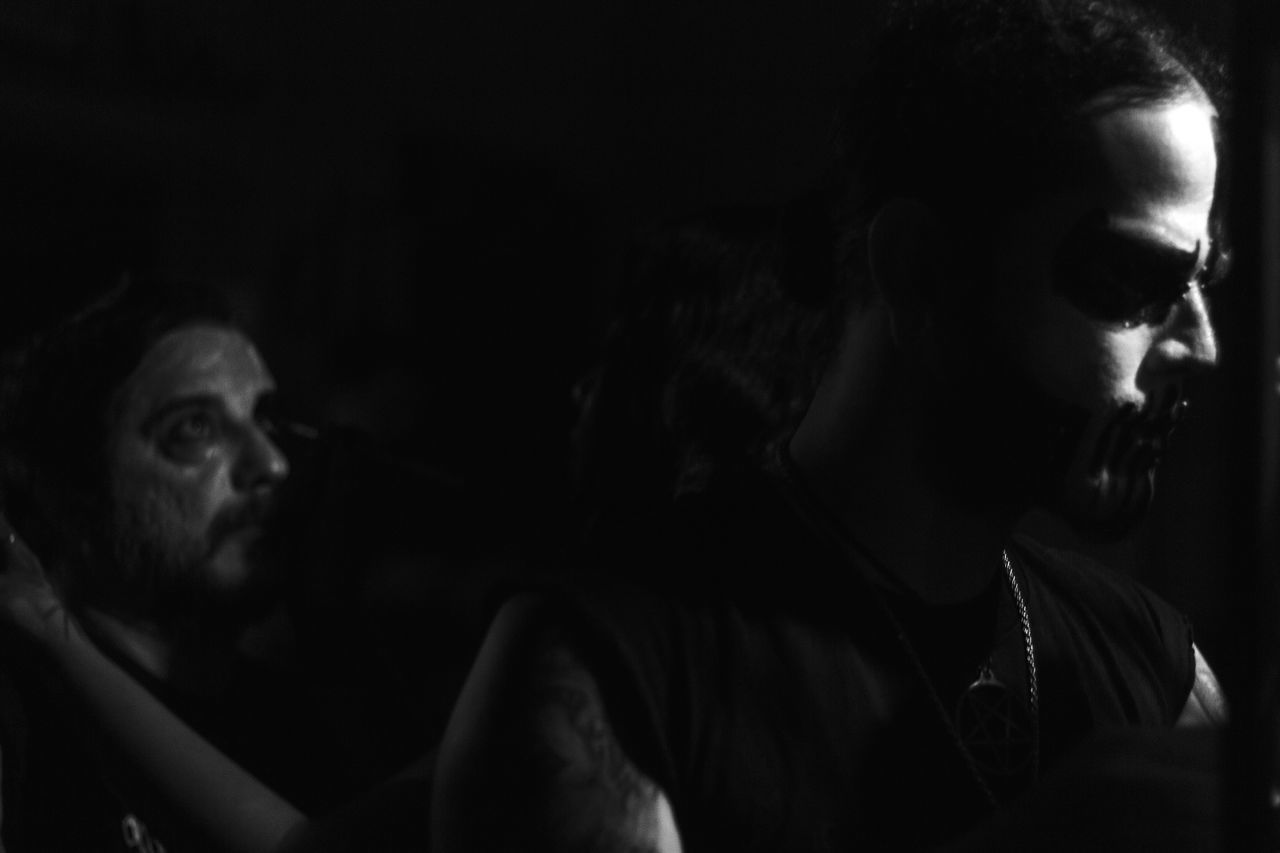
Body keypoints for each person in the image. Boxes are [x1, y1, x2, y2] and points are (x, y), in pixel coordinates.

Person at [431, 0, 1233, 850]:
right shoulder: (615, 665)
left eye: (1202, 283)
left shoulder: (1148, 662)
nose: (1203, 348)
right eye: (1136, 280)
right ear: (922, 271)